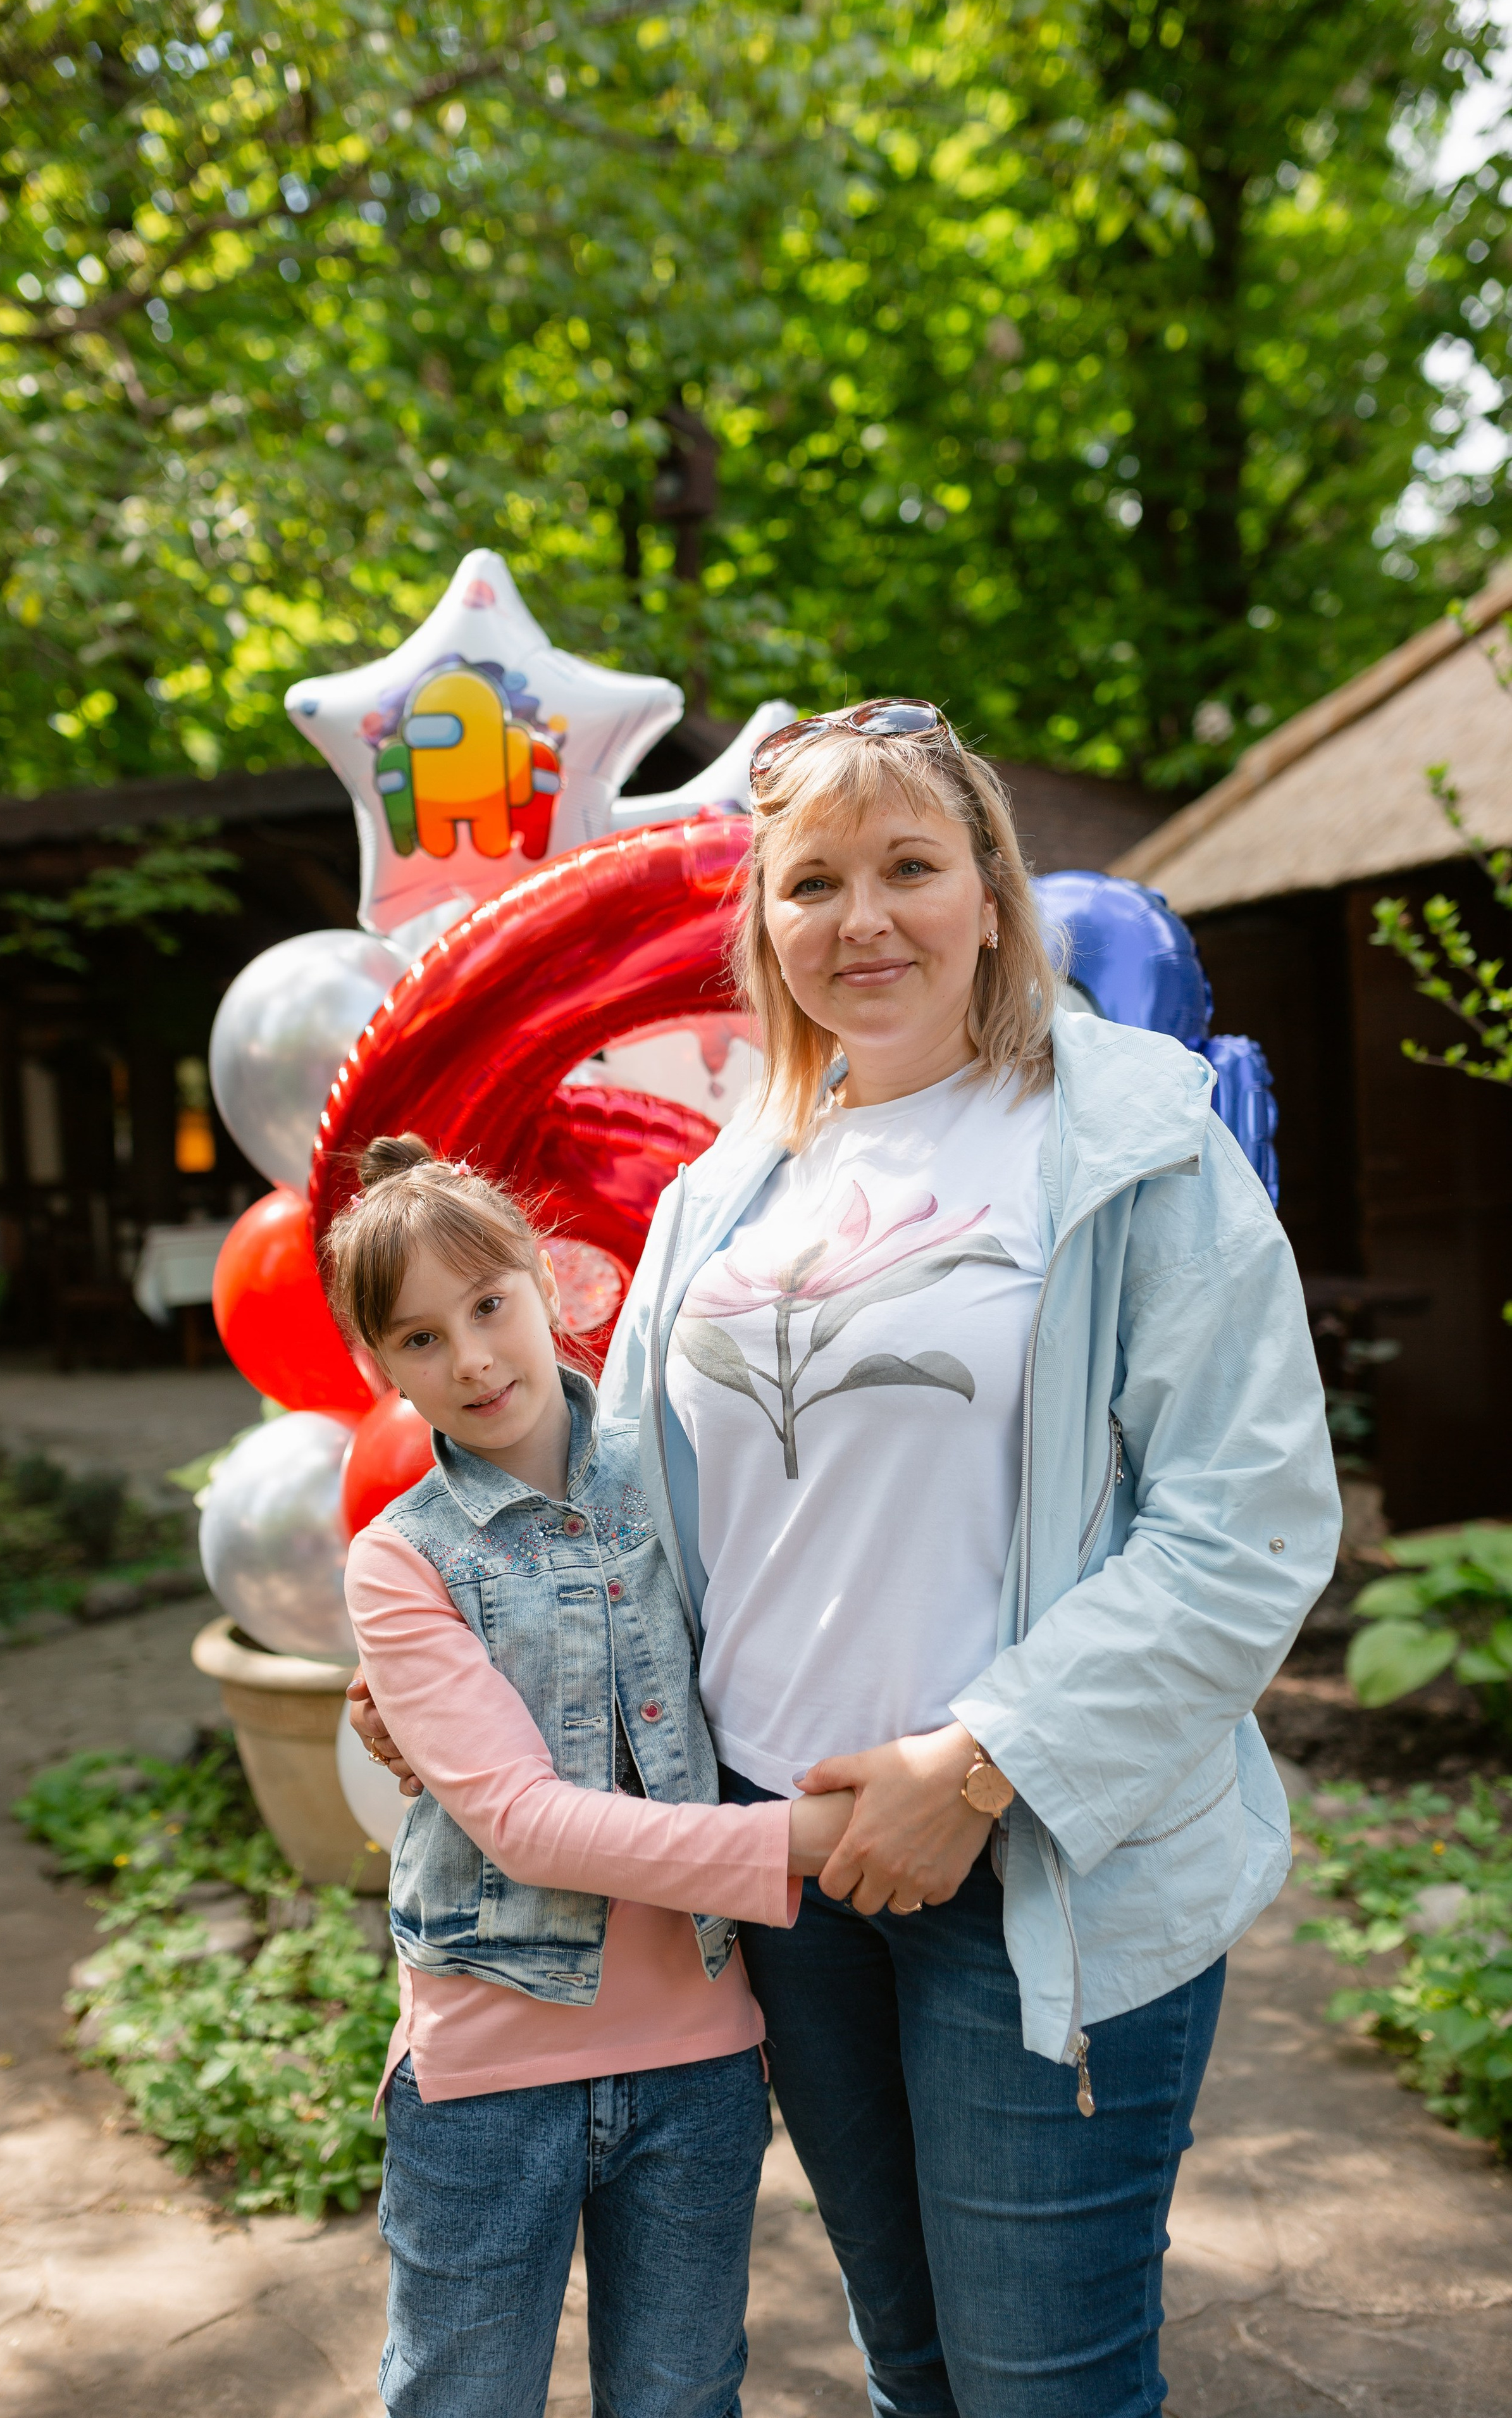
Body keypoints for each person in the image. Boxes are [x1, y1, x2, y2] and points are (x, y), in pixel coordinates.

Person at [353, 699, 1342, 2417]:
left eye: (909, 867)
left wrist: (978, 1765)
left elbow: (1246, 1524)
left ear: (992, 893)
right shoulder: (727, 1190)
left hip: (1030, 1866)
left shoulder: (1134, 1142)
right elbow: (626, 1507)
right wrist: (469, 1657)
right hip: (782, 1869)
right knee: (911, 2371)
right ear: (765, 924)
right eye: (812, 882)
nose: (861, 918)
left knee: (1041, 2390)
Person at [325, 1136, 855, 2418]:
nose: (471, 1360)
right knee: (462, 2399)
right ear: (376, 1364)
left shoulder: (685, 1474)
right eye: (419, 1338)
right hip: (486, 2074)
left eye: (487, 1304)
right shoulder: (401, 1561)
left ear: (546, 1276)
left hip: (698, 2061)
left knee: (682, 2397)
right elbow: (519, 1822)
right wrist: (793, 1843)